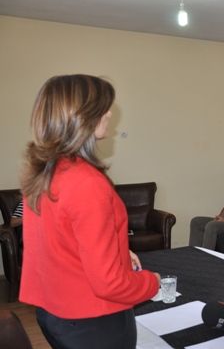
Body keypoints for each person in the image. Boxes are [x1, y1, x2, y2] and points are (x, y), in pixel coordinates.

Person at [19, 75, 160, 348]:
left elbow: (58, 242)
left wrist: (117, 250)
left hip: (54, 313)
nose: (109, 113)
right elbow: (110, 284)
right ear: (82, 117)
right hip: (93, 321)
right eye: (103, 108)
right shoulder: (86, 183)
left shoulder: (43, 173)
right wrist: (150, 283)